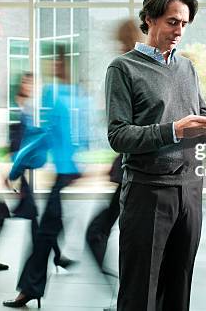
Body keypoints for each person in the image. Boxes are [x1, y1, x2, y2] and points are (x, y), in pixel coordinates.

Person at [105, 0, 206, 311]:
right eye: (172, 22)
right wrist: (173, 130)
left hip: (190, 190)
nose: (179, 31)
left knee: (179, 290)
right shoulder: (123, 69)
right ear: (149, 19)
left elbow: (199, 115)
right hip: (148, 193)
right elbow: (118, 136)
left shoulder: (187, 67)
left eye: (184, 24)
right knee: (140, 293)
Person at [3, 46, 83, 308]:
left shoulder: (55, 95)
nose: (53, 66)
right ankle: (31, 288)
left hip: (64, 176)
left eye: (56, 61)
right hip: (74, 175)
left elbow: (41, 137)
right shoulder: (76, 95)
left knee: (45, 237)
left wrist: (16, 169)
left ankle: (30, 289)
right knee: (47, 235)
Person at [85, 19, 141, 276]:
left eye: (119, 41)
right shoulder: (135, 68)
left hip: (133, 165)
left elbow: (123, 125)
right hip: (132, 164)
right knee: (112, 226)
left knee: (107, 228)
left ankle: (126, 293)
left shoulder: (125, 69)